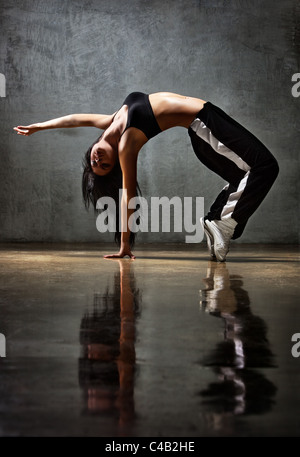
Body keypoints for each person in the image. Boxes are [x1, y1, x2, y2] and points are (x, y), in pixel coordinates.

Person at [13, 91, 279, 261]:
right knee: (264, 166)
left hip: (205, 121)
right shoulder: (126, 143)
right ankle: (223, 223)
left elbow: (74, 119)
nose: (97, 159)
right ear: (116, 163)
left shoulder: (111, 121)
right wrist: (125, 244)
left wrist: (38, 127)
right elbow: (128, 195)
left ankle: (215, 219)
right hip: (203, 124)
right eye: (103, 166)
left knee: (244, 175)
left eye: (93, 160)